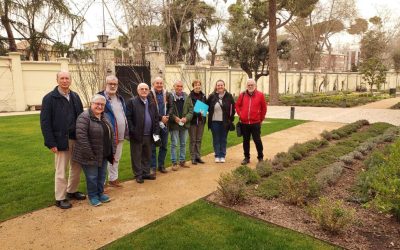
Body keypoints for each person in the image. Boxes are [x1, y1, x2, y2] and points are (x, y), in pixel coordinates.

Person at [40, 71, 86, 209]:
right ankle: (60, 198)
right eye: (62, 78)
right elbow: (45, 122)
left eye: (67, 78)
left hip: (76, 138)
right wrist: (51, 142)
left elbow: (81, 118)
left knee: (76, 167)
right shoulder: (49, 98)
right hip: (60, 140)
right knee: (61, 170)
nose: (65, 81)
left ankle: (72, 191)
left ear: (70, 80)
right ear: (57, 80)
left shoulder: (75, 96)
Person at [72, 94, 116, 206]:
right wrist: (90, 154)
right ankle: (93, 196)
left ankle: (100, 193)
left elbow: (111, 134)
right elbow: (82, 138)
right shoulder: (84, 117)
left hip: (104, 153)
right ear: (91, 104)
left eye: (102, 104)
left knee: (101, 176)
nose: (99, 106)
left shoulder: (104, 116)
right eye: (97, 104)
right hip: (89, 154)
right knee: (92, 177)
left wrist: (112, 151)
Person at [126, 83, 160, 183]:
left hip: (149, 135)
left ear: (149, 91)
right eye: (142, 89)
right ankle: (138, 174)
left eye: (146, 89)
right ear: (138, 90)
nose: (144, 91)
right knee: (136, 156)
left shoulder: (152, 103)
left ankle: (145, 173)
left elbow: (156, 119)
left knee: (147, 155)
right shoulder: (132, 102)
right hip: (137, 135)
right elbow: (128, 118)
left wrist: (156, 133)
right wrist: (133, 131)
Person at [98, 75, 128, 188]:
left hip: (119, 134)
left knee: (116, 158)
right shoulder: (100, 97)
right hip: (106, 135)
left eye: (115, 84)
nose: (112, 86)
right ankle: (101, 184)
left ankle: (113, 179)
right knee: (103, 159)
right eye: (110, 83)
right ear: (105, 84)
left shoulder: (120, 98)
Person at [235, 79, 267, 165]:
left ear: (255, 86)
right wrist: (240, 114)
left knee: (257, 140)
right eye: (249, 85)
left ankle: (260, 157)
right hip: (244, 123)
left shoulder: (260, 95)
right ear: (246, 86)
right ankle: (246, 158)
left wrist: (261, 119)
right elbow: (237, 105)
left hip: (255, 122)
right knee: (246, 141)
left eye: (252, 85)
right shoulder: (242, 95)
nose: (250, 86)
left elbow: (264, 108)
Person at [206, 79, 235, 163]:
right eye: (218, 85)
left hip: (225, 122)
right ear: (216, 86)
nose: (220, 87)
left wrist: (231, 119)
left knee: (223, 139)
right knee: (216, 139)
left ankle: (222, 155)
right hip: (214, 121)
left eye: (221, 85)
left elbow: (233, 109)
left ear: (224, 86)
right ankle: (217, 155)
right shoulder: (212, 96)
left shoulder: (229, 96)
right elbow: (206, 106)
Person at [148, 77, 172, 174]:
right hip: (154, 125)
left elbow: (171, 107)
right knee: (153, 146)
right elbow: (150, 109)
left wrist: (167, 117)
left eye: (161, 83)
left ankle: (161, 165)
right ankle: (153, 167)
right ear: (153, 84)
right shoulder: (149, 95)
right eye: (157, 83)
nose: (159, 85)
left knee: (164, 146)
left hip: (165, 124)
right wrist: (160, 117)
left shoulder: (168, 94)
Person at [168, 80, 193, 170]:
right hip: (174, 124)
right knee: (174, 144)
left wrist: (186, 118)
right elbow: (168, 110)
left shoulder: (187, 97)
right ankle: (174, 163)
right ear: (174, 87)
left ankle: (182, 161)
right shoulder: (170, 97)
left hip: (184, 124)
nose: (179, 88)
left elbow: (191, 110)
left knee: (183, 143)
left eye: (181, 86)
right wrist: (175, 118)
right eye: (177, 86)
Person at [188, 79, 206, 165]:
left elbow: (205, 107)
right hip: (193, 121)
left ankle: (198, 156)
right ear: (193, 86)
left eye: (199, 85)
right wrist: (197, 112)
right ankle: (193, 158)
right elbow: (189, 109)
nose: (197, 86)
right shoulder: (190, 96)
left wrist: (204, 111)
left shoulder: (203, 96)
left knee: (199, 139)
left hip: (201, 121)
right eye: (196, 85)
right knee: (193, 140)